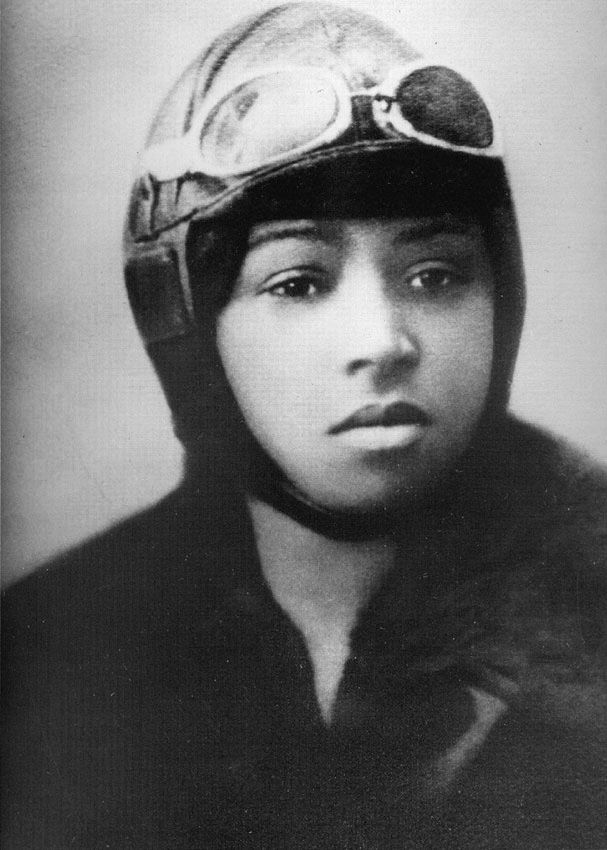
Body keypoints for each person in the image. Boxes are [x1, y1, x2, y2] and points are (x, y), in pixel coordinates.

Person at [2, 3, 606, 847]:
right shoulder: (48, 650)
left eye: (435, 276)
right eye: (297, 283)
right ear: (187, 329)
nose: (384, 343)